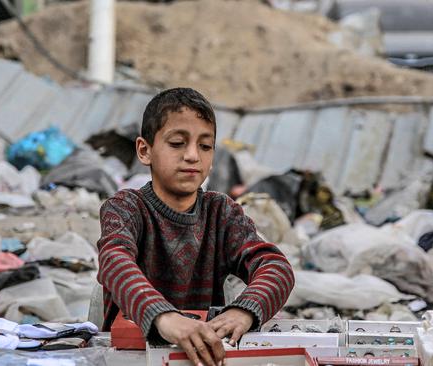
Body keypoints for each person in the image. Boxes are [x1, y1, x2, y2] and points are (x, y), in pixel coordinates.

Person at [97, 87, 294, 366]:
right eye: (177, 143)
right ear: (145, 150)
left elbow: (276, 267)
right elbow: (114, 261)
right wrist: (164, 317)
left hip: (200, 357)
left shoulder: (221, 213)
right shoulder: (126, 207)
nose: (192, 156)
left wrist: (244, 311)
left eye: (205, 146)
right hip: (132, 356)